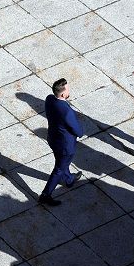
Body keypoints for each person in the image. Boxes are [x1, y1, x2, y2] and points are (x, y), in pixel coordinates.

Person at [39, 78, 84, 206]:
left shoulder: (49, 99)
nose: (69, 91)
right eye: (68, 89)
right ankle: (45, 195)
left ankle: (69, 179)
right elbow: (78, 131)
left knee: (62, 162)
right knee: (59, 169)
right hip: (65, 145)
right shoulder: (67, 111)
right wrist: (80, 130)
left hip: (53, 138)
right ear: (63, 94)